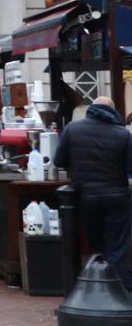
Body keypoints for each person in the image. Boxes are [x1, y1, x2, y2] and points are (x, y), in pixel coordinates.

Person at [54, 96, 132, 291]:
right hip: (117, 197)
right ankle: (121, 291)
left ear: (91, 109)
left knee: (97, 247)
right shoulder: (123, 134)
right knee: (115, 248)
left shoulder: (72, 129)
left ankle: (97, 292)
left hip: (86, 196)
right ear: (113, 111)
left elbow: (59, 161)